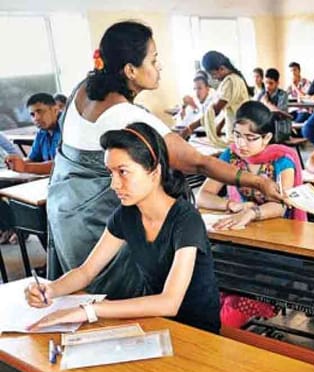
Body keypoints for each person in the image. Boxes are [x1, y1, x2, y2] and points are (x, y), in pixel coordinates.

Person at [47, 21, 281, 299]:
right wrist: (257, 181)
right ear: (130, 70)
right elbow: (198, 163)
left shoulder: (83, 90)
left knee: (85, 291)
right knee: (120, 295)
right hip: (96, 220)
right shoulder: (125, 117)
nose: (159, 66)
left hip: (64, 210)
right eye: (153, 60)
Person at [27, 123, 221, 334]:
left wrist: (91, 310)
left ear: (154, 172)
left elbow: (170, 302)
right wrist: (51, 289)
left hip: (198, 330)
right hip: (155, 321)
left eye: (123, 172)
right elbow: (86, 272)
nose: (114, 184)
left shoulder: (187, 219)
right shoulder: (126, 215)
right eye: (111, 173)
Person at [196, 101, 305, 328]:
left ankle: (237, 316)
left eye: (250, 137)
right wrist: (231, 205)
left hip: (276, 245)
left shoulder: (282, 160)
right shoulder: (230, 156)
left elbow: (281, 205)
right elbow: (203, 196)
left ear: (266, 138)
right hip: (240, 238)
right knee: (207, 294)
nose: (241, 143)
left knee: (228, 315)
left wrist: (252, 213)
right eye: (237, 135)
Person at [183, 51, 251, 147]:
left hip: (239, 136)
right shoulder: (235, 79)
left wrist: (190, 128)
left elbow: (214, 111)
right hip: (238, 133)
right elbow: (231, 109)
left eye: (213, 74)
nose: (213, 78)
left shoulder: (230, 82)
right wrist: (220, 126)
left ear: (222, 68)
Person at [5, 93, 60, 175]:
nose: (36, 118)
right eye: (32, 114)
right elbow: (32, 159)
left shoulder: (69, 129)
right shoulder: (42, 132)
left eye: (40, 111)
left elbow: (62, 165)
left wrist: (25, 167)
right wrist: (16, 163)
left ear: (55, 110)